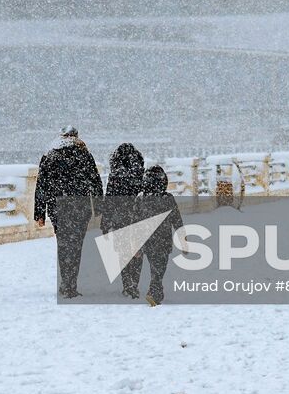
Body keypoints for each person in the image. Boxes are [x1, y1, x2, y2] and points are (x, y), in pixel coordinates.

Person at [34, 125, 103, 298]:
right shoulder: (84, 154)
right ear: (76, 136)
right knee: (75, 246)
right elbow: (95, 181)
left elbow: (42, 185)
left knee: (63, 245)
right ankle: (71, 284)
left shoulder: (49, 155)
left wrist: (40, 212)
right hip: (79, 207)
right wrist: (99, 205)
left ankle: (66, 283)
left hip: (58, 207)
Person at [101, 142, 146, 298]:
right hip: (139, 217)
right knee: (138, 251)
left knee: (123, 252)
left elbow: (109, 199)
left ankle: (127, 284)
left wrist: (105, 222)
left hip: (120, 217)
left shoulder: (115, 175)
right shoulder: (141, 174)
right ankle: (135, 281)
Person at [138, 164, 185, 306]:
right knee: (159, 268)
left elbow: (134, 222)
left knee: (155, 266)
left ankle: (157, 290)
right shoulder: (167, 198)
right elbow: (177, 220)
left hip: (146, 240)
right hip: (163, 241)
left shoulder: (141, 199)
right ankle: (154, 291)